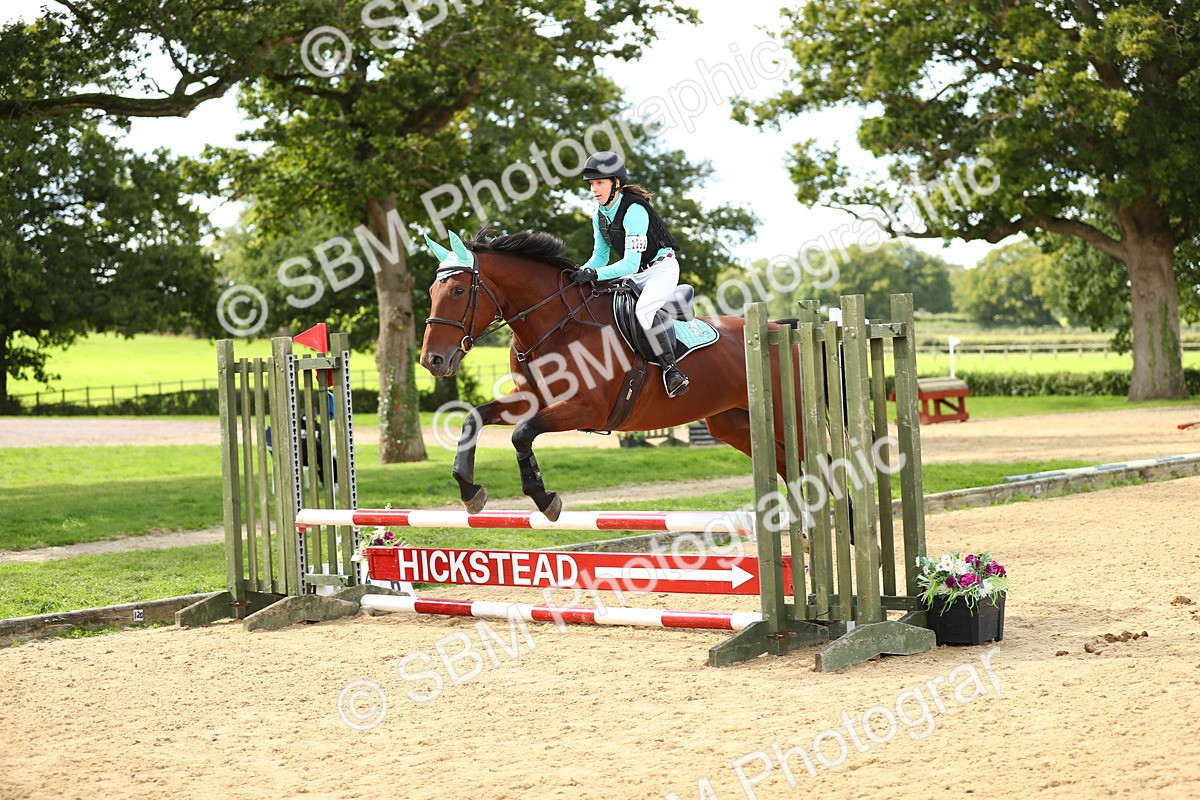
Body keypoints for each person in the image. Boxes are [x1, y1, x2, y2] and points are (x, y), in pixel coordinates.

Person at [568, 151, 689, 397]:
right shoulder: (599, 215)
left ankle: (671, 370)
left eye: (600, 182)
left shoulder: (634, 210)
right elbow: (600, 257)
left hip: (660, 270)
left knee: (643, 310)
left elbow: (629, 265)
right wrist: (578, 273)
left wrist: (593, 273)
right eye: (592, 184)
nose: (594, 189)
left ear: (616, 184)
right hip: (636, 273)